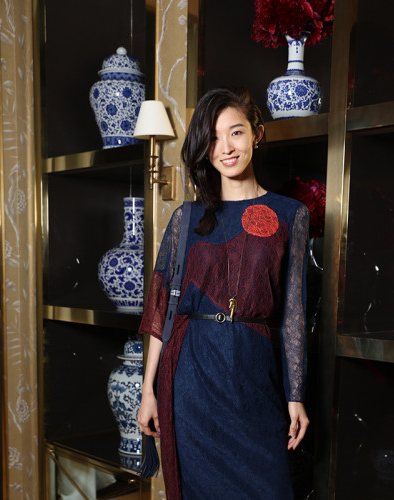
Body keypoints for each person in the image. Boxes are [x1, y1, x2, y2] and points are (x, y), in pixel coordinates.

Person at [137, 87, 310, 500]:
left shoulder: (291, 214)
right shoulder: (187, 217)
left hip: (254, 375)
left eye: (236, 132)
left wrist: (296, 396)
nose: (226, 148)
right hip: (193, 377)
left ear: (257, 134)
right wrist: (148, 391)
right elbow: (162, 310)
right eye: (213, 138)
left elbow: (293, 314)